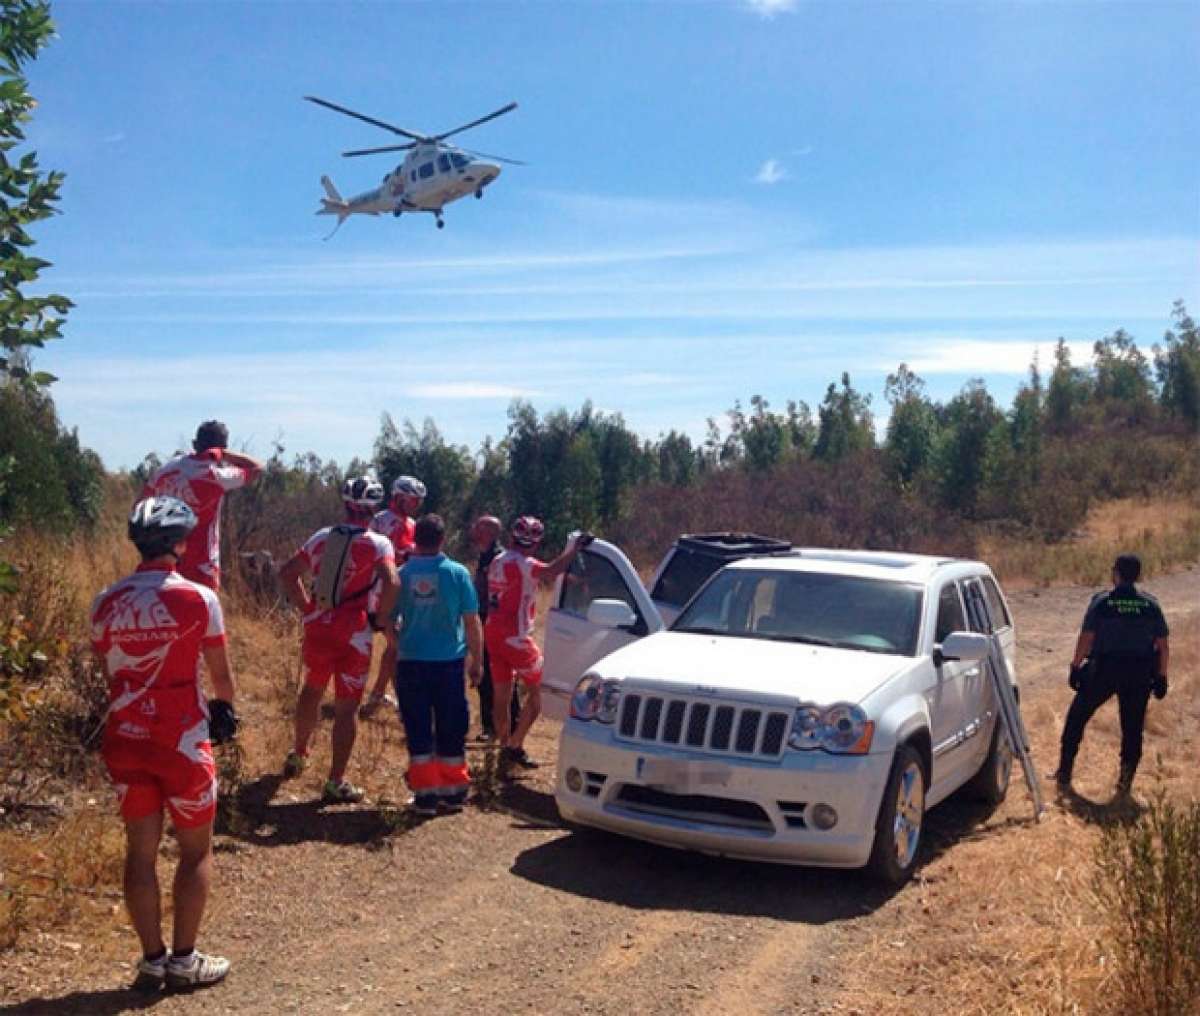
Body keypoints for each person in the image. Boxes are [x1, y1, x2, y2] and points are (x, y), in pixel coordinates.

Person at [90, 496, 240, 992]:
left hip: (125, 736)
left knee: (141, 852)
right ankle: (184, 959)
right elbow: (221, 676)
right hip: (181, 740)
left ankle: (151, 959)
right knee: (195, 852)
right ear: (181, 543)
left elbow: (107, 669)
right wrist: (224, 711)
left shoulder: (105, 601)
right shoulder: (199, 598)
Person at [278, 476, 399, 803]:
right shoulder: (378, 543)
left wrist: (306, 607)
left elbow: (288, 572)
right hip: (354, 633)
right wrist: (381, 618)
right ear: (373, 508)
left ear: (345, 504)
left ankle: (298, 753)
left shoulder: (321, 537)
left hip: (319, 625)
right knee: (347, 709)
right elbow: (393, 581)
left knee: (312, 689)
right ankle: (335, 780)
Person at [1054, 553, 1171, 798]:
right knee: (1132, 729)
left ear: (1115, 573)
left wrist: (1075, 666)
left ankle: (1064, 774)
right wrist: (1161, 676)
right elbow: (1162, 645)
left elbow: (1087, 638)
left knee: (1076, 718)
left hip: (1104, 670)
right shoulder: (1150, 605)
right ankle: (1124, 784)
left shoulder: (1102, 603)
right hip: (1138, 674)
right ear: (1137, 576)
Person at [392, 514, 483, 817]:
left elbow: (387, 620)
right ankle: (453, 793)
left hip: (412, 662)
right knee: (451, 726)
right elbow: (471, 622)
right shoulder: (457, 574)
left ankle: (425, 797)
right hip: (448, 664)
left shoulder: (402, 574)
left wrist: (398, 646)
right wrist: (477, 661)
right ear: (443, 539)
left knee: (417, 727)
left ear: (415, 538)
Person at [486, 517, 592, 770]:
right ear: (534, 543)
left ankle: (503, 745)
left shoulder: (497, 560)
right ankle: (516, 745)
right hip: (517, 638)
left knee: (501, 694)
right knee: (538, 692)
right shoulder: (526, 563)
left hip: (493, 631)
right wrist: (573, 549)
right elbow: (551, 571)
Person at [140, 420, 261, 591]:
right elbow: (257, 468)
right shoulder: (216, 475)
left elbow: (141, 504)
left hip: (163, 558)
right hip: (202, 565)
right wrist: (224, 454)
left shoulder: (166, 470)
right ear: (221, 448)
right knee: (202, 613)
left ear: (195, 444)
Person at [360, 475, 426, 717]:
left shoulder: (413, 525)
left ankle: (377, 695)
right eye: (411, 500)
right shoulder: (381, 521)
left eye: (418, 502)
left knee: (395, 648)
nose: (415, 505)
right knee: (400, 646)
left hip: (402, 595)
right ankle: (406, 704)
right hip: (378, 593)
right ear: (398, 498)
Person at [471, 514, 520, 741]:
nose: (474, 531)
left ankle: (509, 727)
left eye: (480, 528)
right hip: (482, 621)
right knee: (485, 676)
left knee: (501, 678)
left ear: (489, 533)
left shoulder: (498, 558)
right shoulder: (484, 556)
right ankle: (490, 727)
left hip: (495, 624)